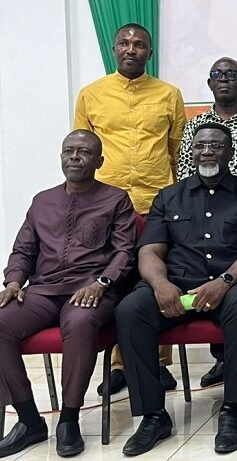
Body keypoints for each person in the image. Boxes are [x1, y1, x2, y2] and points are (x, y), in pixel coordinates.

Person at [115, 123, 237, 456]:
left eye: (216, 146)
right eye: (201, 145)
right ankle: (153, 416)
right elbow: (149, 251)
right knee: (130, 310)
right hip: (177, 285)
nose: (207, 151)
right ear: (192, 151)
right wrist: (159, 284)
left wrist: (224, 282)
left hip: (232, 285)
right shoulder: (168, 196)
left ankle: (233, 409)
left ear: (230, 152)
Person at [0, 130, 135, 458]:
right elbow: (23, 250)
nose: (75, 157)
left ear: (99, 161)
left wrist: (102, 283)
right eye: (69, 151)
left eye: (83, 152)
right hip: (43, 290)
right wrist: (13, 283)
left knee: (80, 323)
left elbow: (125, 252)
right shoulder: (42, 201)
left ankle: (69, 420)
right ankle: (28, 421)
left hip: (92, 290)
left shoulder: (116, 199)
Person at [74, 22, 185, 394]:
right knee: (116, 276)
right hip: (107, 202)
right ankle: (121, 364)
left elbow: (176, 150)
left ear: (149, 53)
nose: (131, 49)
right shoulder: (91, 95)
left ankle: (159, 363)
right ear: (114, 49)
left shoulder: (169, 94)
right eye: (124, 43)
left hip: (157, 199)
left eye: (139, 44)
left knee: (157, 276)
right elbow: (83, 147)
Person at [177, 57, 237, 390]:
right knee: (206, 274)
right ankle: (224, 359)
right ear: (209, 83)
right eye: (217, 75)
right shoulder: (196, 124)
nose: (225, 80)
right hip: (206, 213)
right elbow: (185, 173)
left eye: (232, 75)